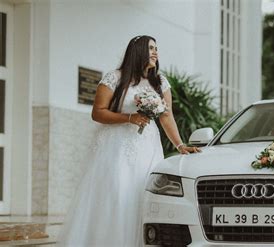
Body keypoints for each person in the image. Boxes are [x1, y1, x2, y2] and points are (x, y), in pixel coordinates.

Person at [57, 35, 200, 246]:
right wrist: (129, 118)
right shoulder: (114, 78)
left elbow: (166, 116)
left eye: (157, 48)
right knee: (117, 194)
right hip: (116, 149)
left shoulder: (160, 82)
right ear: (138, 50)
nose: (155, 52)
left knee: (142, 196)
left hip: (148, 148)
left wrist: (180, 145)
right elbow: (98, 113)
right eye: (151, 48)